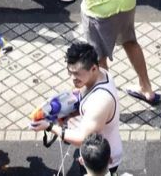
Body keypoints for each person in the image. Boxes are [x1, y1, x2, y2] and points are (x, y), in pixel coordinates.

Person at [29, 42, 123, 173]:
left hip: (101, 161)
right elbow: (83, 97)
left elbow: (83, 139)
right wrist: (66, 112)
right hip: (98, 153)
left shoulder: (100, 101)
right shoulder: (101, 74)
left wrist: (50, 127)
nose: (73, 78)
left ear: (93, 69)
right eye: (70, 72)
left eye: (77, 73)